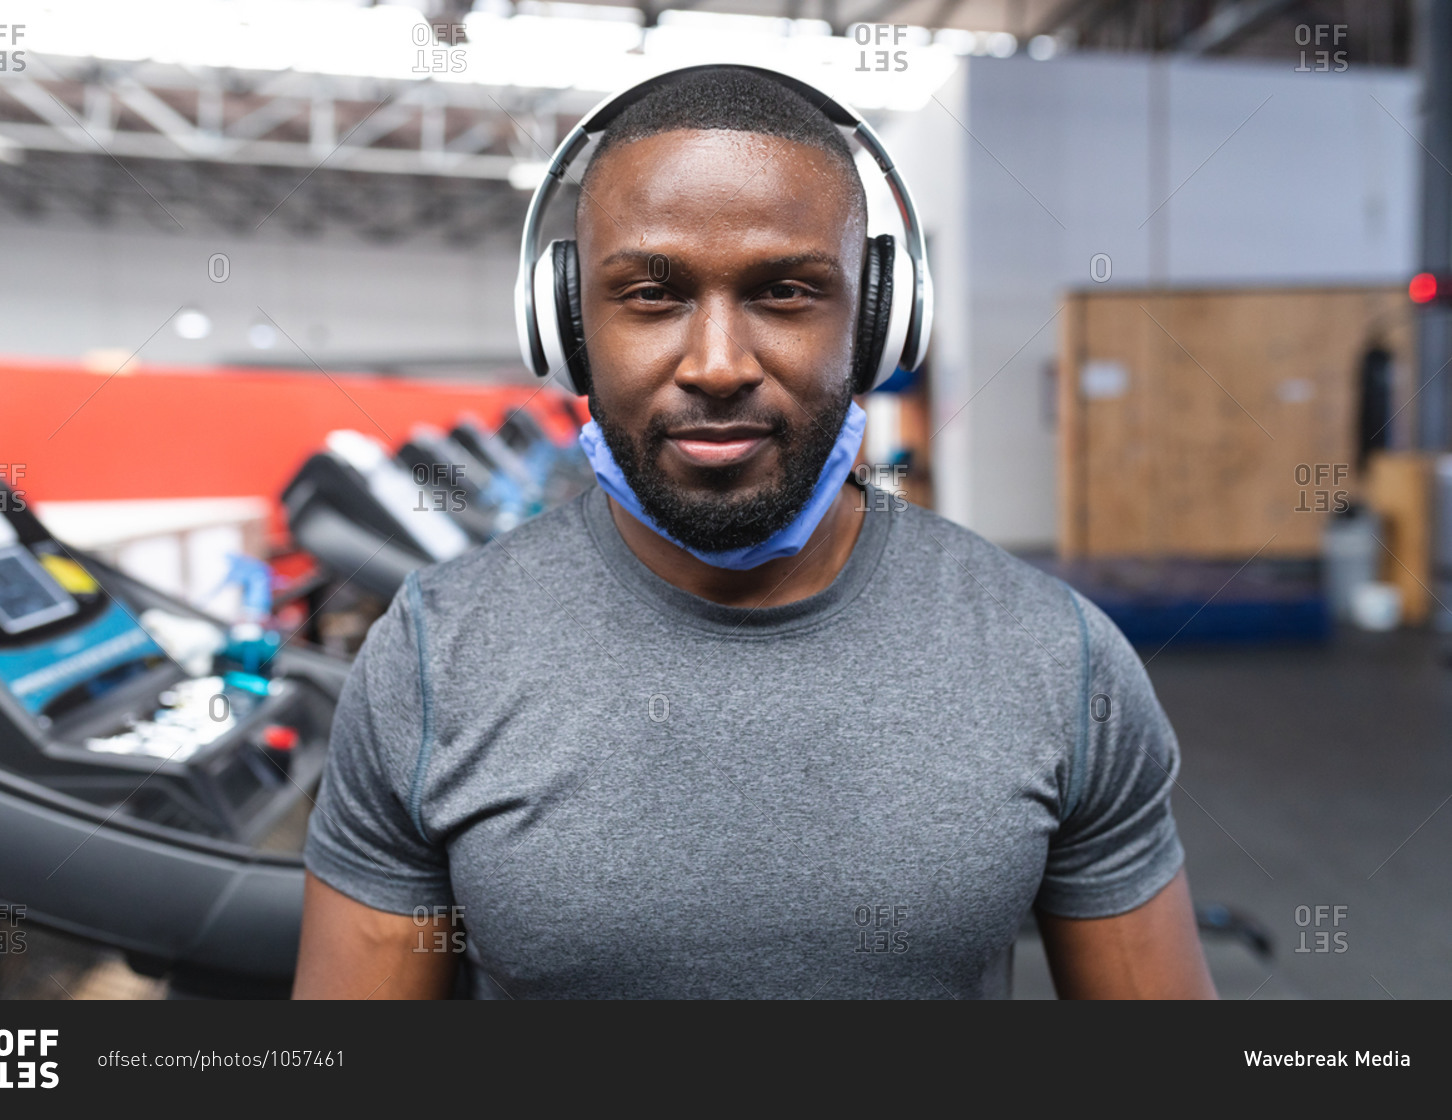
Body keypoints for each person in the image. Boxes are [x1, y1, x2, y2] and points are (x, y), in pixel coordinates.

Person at [293, 66, 1217, 999]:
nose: (719, 365)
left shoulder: (1054, 657)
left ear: (879, 325)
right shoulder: (432, 658)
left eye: (784, 292)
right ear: (566, 325)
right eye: (652, 295)